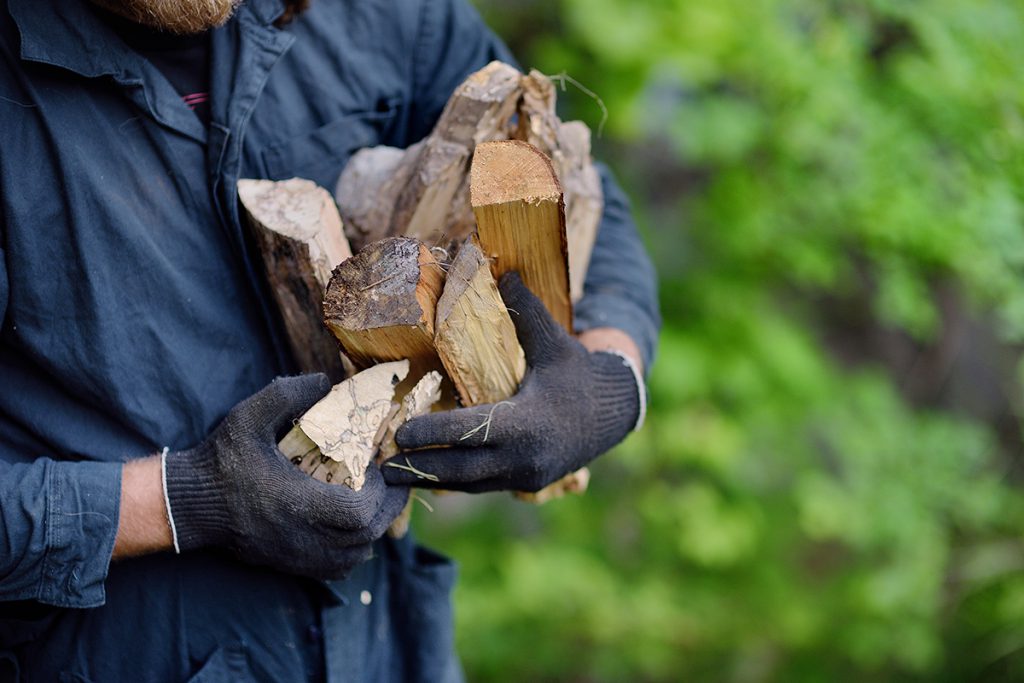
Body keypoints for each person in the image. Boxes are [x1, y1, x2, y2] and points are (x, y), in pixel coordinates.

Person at [0, 0, 660, 680]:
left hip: (387, 650)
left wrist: (610, 379)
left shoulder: (379, 14)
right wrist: (182, 500)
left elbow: (576, 183)